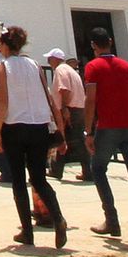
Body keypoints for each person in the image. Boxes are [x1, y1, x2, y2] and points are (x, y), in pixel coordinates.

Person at [0, 24, 68, 249]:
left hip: (14, 126)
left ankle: (27, 231)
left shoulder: (2, 67)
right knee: (38, 178)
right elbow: (48, 97)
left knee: (18, 180)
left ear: (4, 45)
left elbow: (3, 102)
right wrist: (60, 129)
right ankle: (58, 218)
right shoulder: (35, 65)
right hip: (39, 126)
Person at [82, 27, 128, 245]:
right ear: (110, 41)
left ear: (93, 45)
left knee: (98, 169)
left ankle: (111, 219)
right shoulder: (127, 66)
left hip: (108, 126)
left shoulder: (93, 67)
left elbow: (90, 100)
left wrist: (88, 130)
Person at [44, 50, 91, 181]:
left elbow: (64, 89)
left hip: (70, 110)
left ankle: (88, 170)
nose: (48, 62)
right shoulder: (70, 70)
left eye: (49, 59)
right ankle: (57, 169)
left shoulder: (60, 70)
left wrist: (64, 108)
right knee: (63, 140)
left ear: (55, 59)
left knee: (71, 140)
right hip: (77, 109)